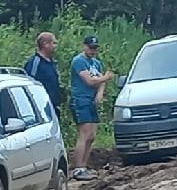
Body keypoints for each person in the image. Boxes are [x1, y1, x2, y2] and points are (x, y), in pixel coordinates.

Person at [70, 34, 114, 180]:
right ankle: (77, 168)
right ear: (84, 46)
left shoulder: (96, 63)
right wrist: (106, 77)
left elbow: (100, 81)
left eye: (95, 48)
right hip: (81, 99)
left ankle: (84, 165)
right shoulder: (79, 61)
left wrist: (100, 93)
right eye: (90, 48)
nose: (93, 51)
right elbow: (89, 81)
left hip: (92, 100)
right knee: (84, 133)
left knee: (92, 136)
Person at [23, 31, 64, 113]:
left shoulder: (51, 62)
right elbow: (30, 82)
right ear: (46, 44)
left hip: (53, 107)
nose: (56, 46)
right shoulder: (35, 63)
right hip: (40, 108)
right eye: (54, 43)